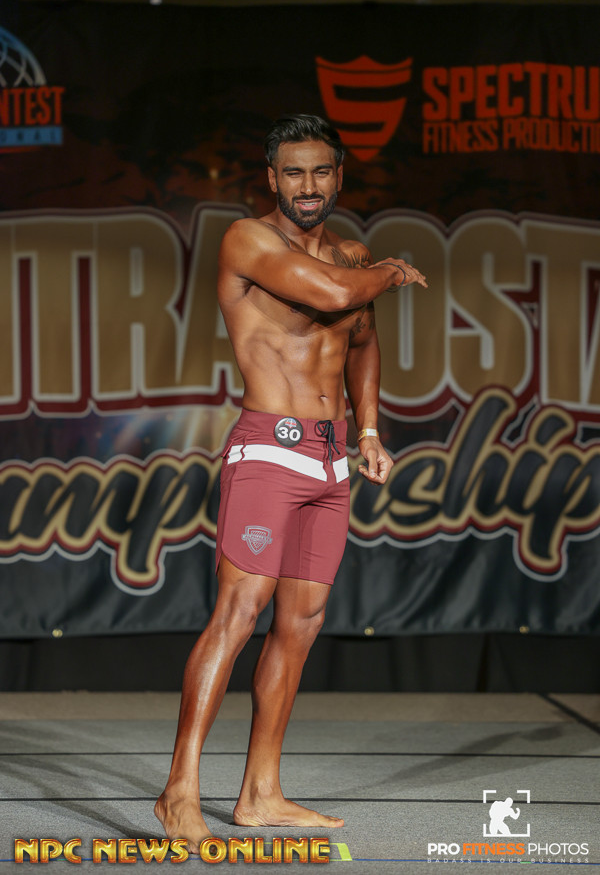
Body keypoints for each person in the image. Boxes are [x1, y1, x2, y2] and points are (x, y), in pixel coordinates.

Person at [155, 113, 428, 851]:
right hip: (268, 454)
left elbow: (361, 340)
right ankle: (179, 791)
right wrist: (391, 272)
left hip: (331, 462)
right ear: (272, 177)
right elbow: (336, 295)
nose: (308, 186)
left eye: (321, 172)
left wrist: (368, 432)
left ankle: (260, 794)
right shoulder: (248, 240)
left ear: (339, 176)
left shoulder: (351, 254)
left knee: (300, 625)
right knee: (238, 613)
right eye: (294, 173)